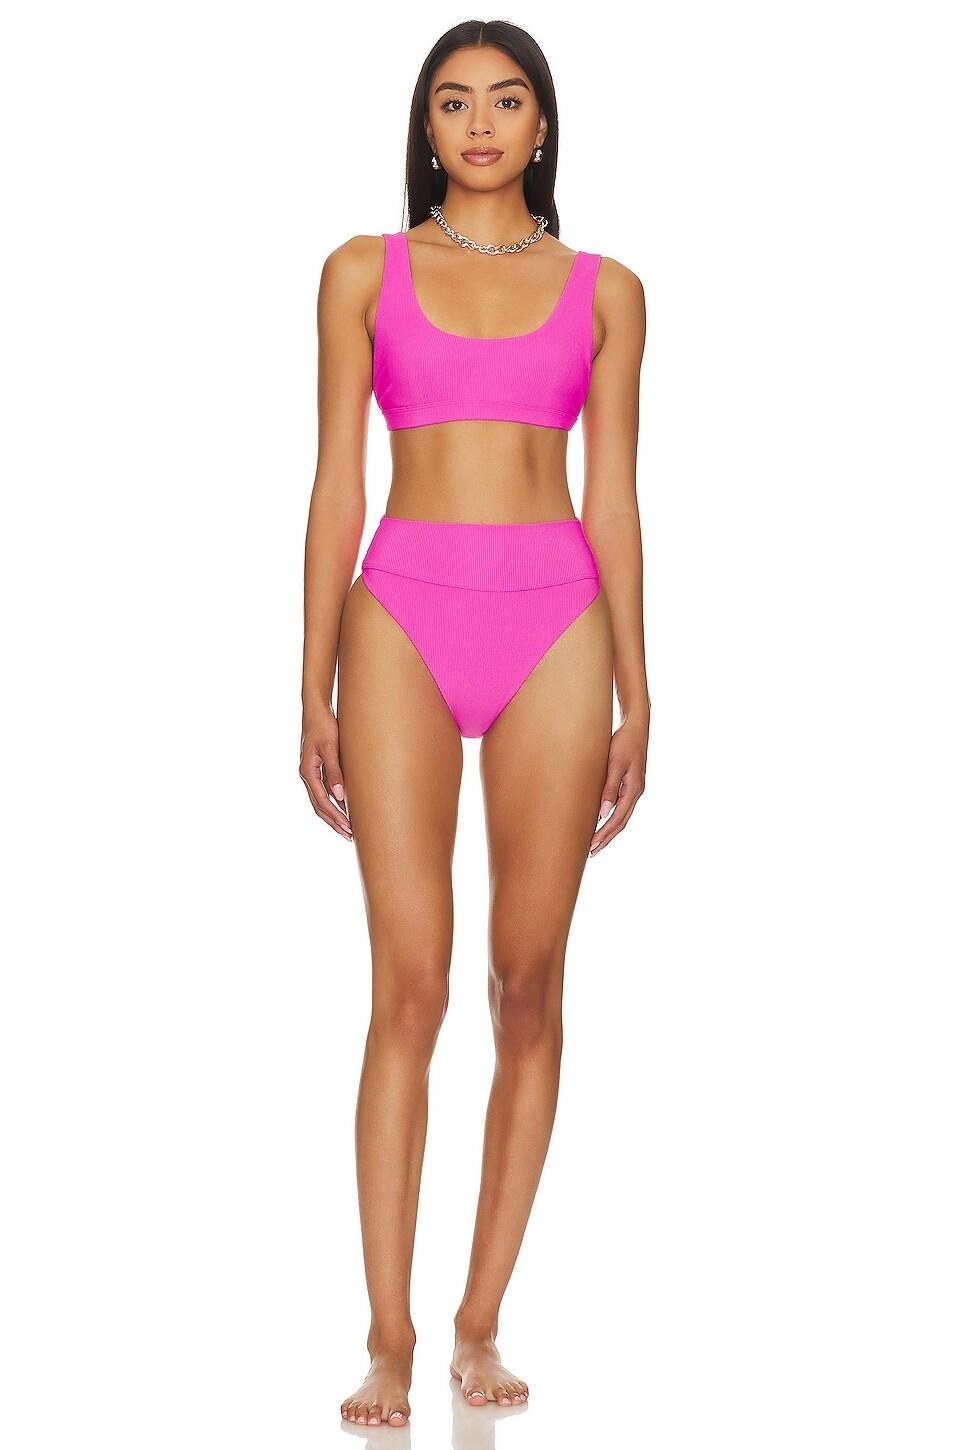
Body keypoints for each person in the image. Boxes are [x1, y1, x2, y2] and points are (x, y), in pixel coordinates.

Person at [299, 19, 649, 1430]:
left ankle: (479, 1318)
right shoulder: (360, 271)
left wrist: (640, 688)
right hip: (400, 611)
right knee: (411, 984)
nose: (483, 123)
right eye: (455, 102)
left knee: (530, 982)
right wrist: (309, 678)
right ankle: (386, 1336)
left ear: (542, 125)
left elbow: (614, 493)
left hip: (558, 617)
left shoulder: (609, 290)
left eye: (508, 101)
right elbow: (336, 483)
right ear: (426, 126)